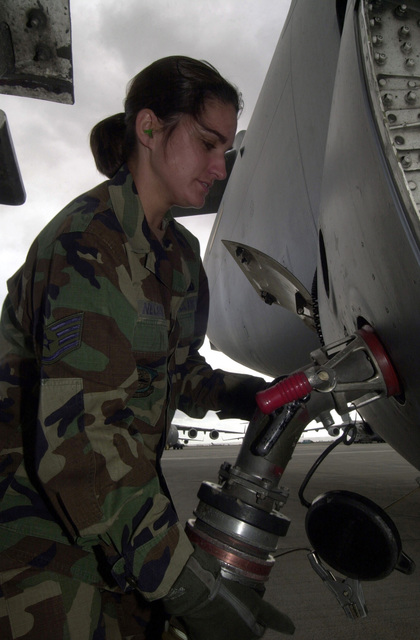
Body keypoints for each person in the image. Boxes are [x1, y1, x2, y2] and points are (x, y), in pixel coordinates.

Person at [0, 56, 294, 639]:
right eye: (209, 143)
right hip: (43, 540)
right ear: (151, 128)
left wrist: (255, 396)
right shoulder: (86, 245)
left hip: (121, 520)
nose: (220, 167)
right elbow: (80, 440)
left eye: (226, 151)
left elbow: (178, 372)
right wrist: (189, 588)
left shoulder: (180, 256)